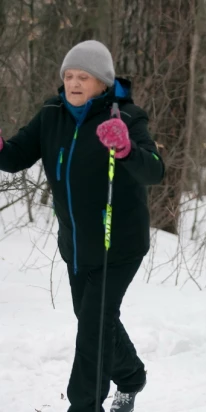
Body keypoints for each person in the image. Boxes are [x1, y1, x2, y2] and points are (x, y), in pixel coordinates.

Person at [0, 40, 164, 411]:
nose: (74, 83)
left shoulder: (126, 117)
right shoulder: (51, 114)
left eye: (83, 77)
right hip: (76, 245)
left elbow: (154, 170)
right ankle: (131, 375)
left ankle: (84, 405)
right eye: (69, 76)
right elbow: (15, 156)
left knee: (93, 326)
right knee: (95, 319)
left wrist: (126, 149)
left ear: (102, 83)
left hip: (118, 244)